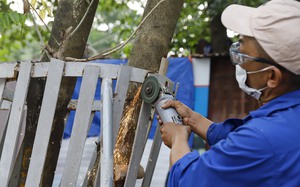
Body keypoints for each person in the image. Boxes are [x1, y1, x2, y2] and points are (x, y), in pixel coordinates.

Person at [158, 0, 300, 186]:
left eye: (243, 56)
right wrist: (193, 119)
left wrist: (178, 139)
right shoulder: (287, 120)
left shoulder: (262, 139)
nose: (239, 63)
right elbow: (239, 141)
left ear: (272, 77)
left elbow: (189, 180)